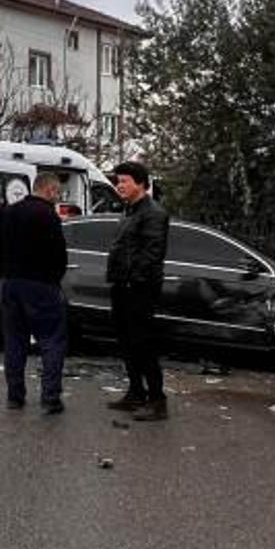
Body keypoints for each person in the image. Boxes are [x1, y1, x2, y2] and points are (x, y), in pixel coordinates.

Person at [0, 173, 69, 415]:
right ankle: (50, 398)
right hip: (41, 285)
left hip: (10, 283)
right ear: (49, 190)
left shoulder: (9, 212)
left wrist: (4, 277)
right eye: (57, 193)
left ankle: (15, 397)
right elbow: (59, 254)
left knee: (15, 341)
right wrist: (54, 281)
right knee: (51, 341)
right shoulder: (48, 215)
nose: (58, 198)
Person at [105, 161, 171, 422]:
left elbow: (152, 254)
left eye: (124, 181)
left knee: (143, 343)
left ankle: (157, 401)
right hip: (122, 286)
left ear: (141, 183)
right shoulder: (130, 211)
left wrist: (134, 281)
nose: (119, 185)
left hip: (139, 289)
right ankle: (136, 392)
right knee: (126, 342)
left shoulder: (153, 213)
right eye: (118, 181)